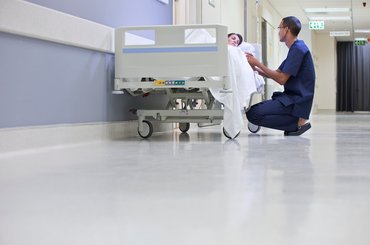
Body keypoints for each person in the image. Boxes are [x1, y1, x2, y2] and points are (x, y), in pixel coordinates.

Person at [245, 16, 315, 136]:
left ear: (286, 29)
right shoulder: (296, 48)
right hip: (292, 99)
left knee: (253, 113)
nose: (278, 32)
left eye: (279, 28)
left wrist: (258, 63)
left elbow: (281, 79)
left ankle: (297, 124)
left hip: (295, 101)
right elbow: (276, 73)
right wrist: (254, 68)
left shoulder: (298, 49)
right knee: (255, 111)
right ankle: (296, 122)